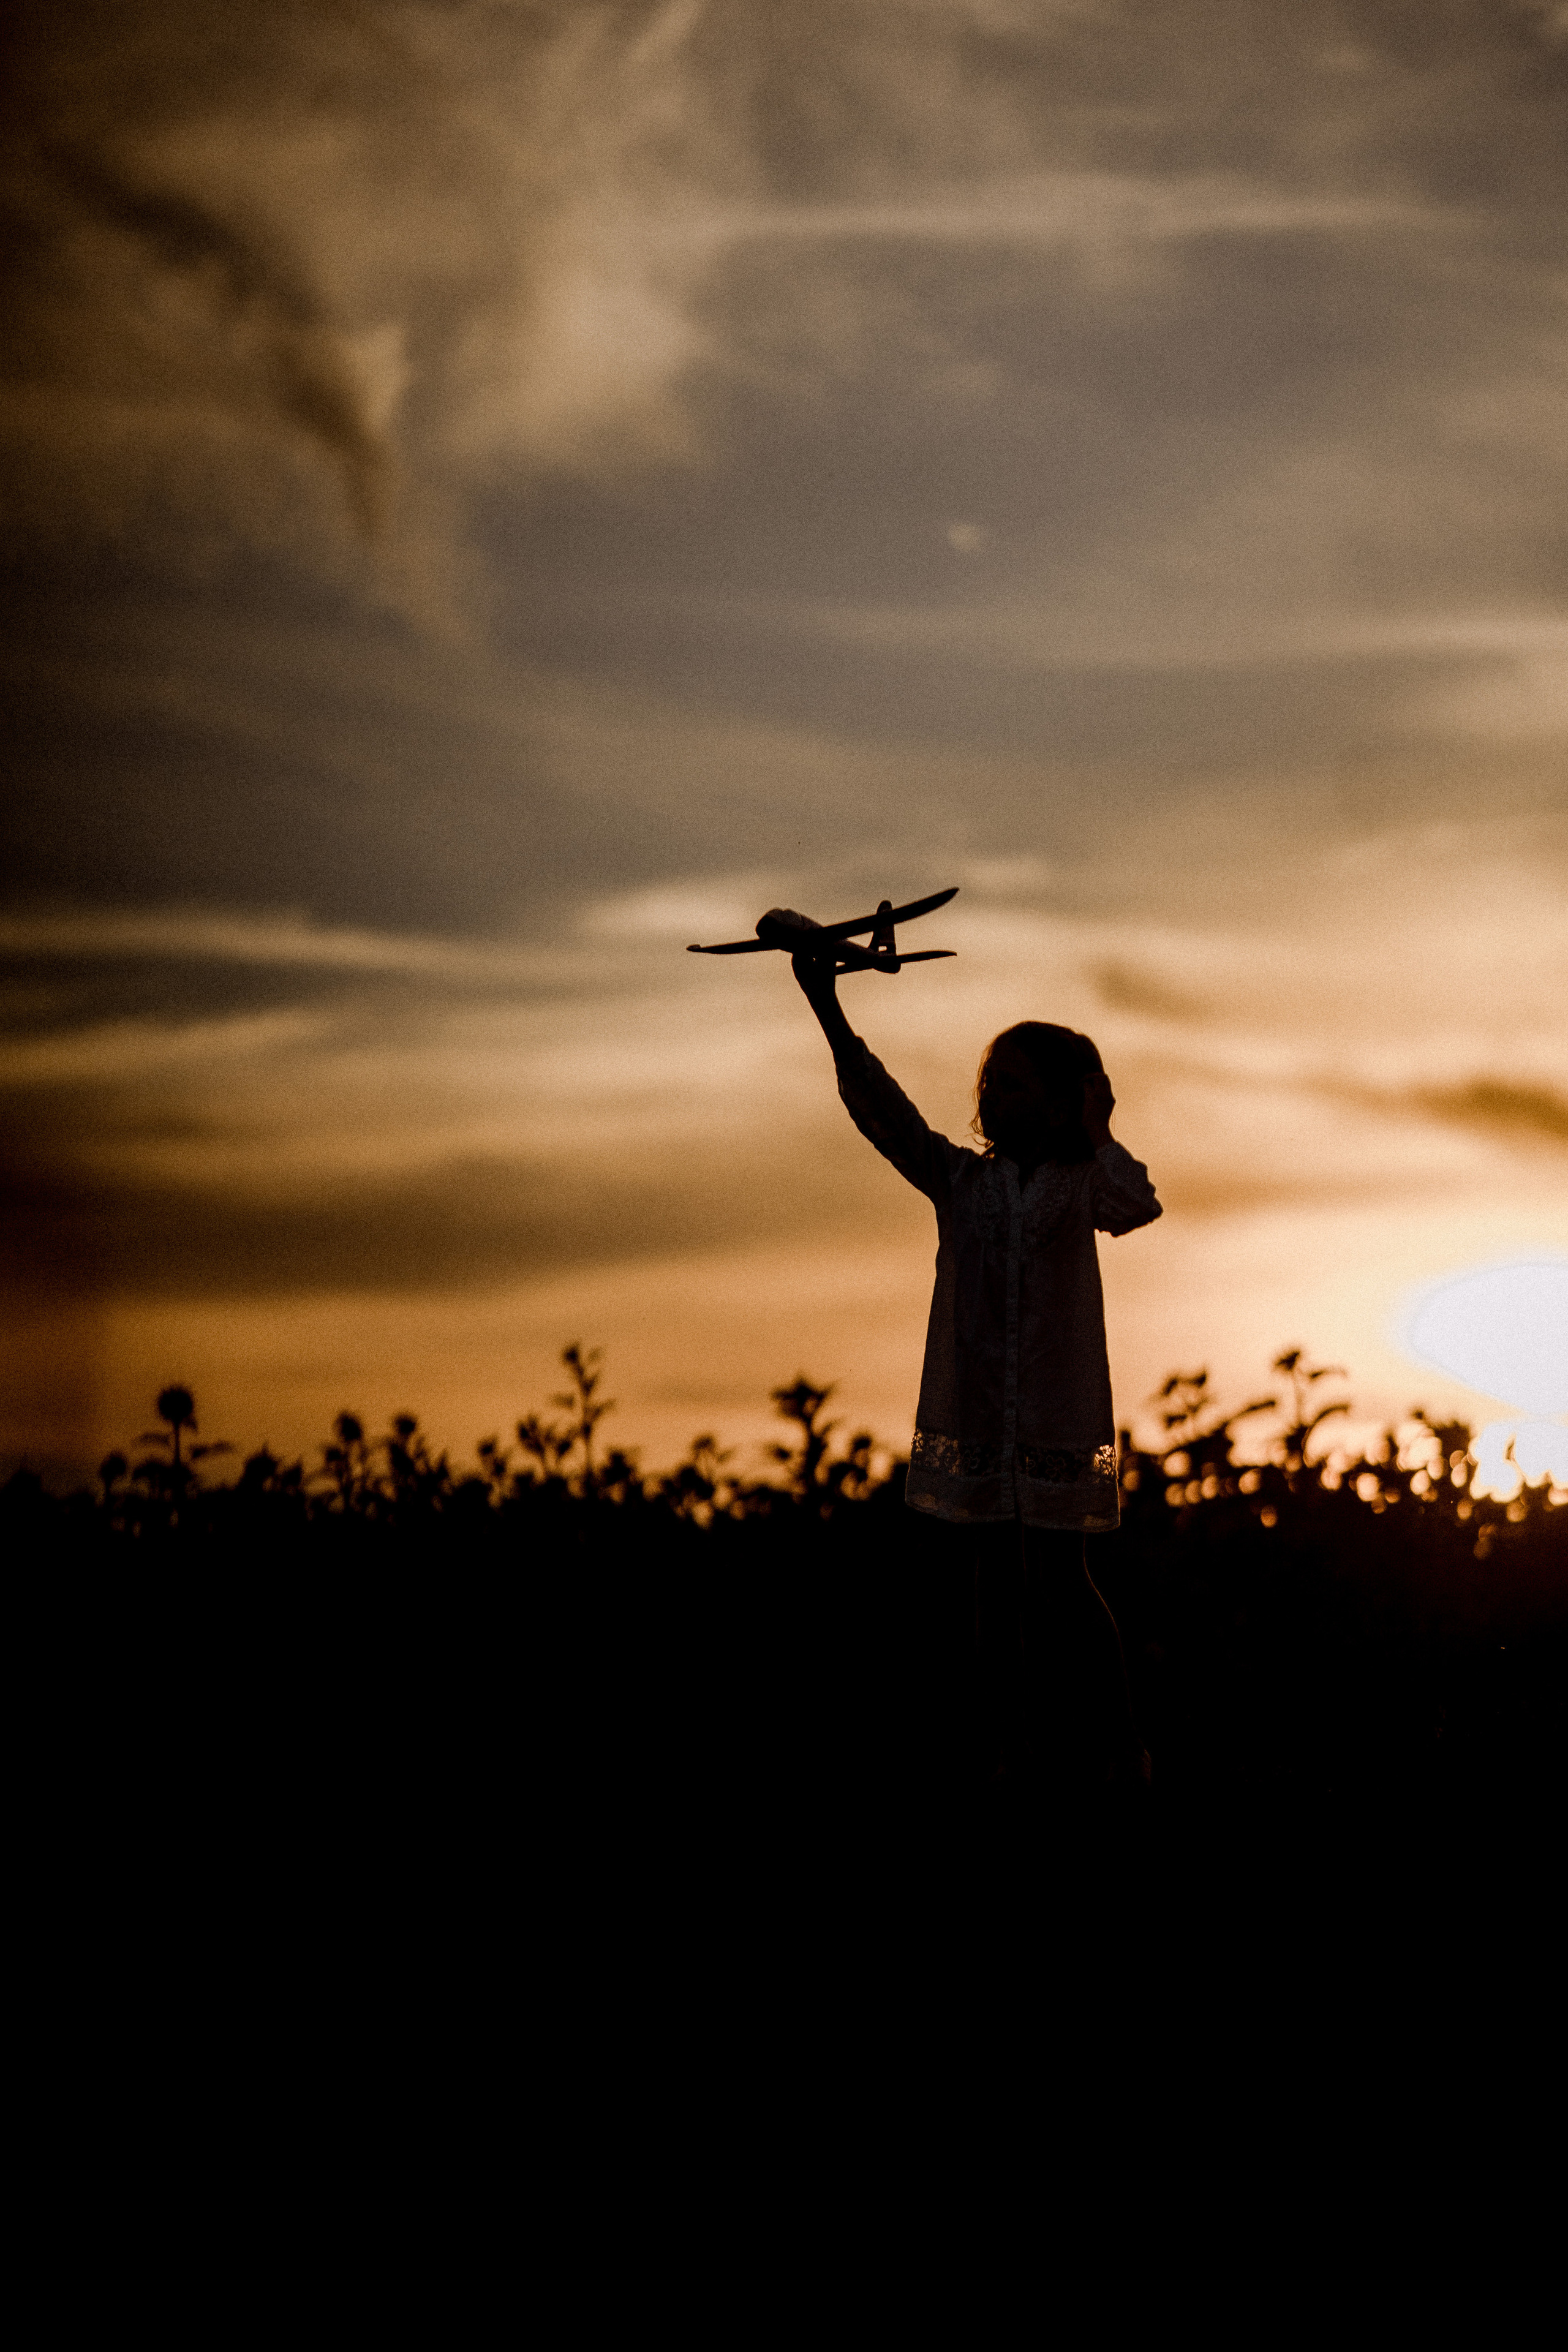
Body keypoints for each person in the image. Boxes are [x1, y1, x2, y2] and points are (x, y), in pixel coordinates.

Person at [788, 921, 1162, 1809]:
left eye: (1016, 1084)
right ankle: (1009, 1754)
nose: (994, 1095)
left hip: (1057, 1415)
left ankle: (1121, 1749)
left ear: (1061, 1103)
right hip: (981, 1412)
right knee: (993, 1585)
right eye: (990, 1081)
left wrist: (1099, 1127)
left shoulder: (1083, 1182)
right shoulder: (961, 1181)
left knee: (1062, 1583)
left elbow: (1135, 1204)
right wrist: (827, 1008)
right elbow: (885, 1114)